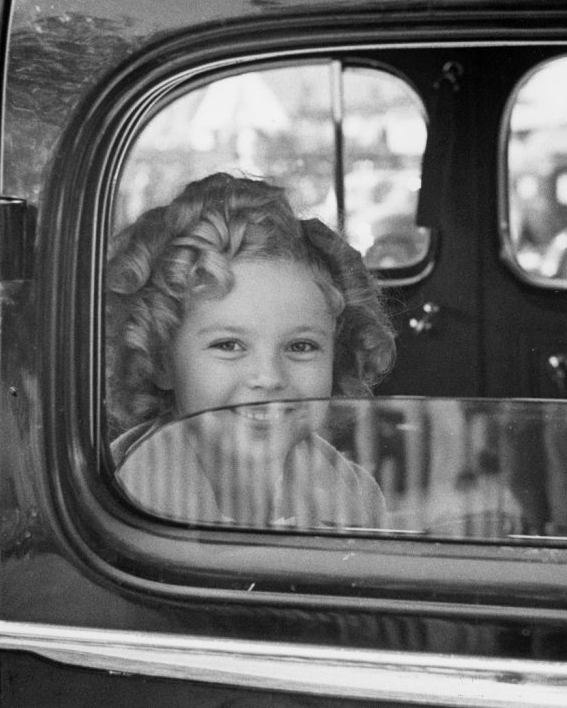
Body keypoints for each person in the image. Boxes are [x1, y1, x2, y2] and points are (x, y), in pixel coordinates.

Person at [105, 172, 396, 529]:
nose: (269, 377)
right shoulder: (128, 501)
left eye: (301, 346)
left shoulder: (351, 492)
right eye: (229, 345)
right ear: (162, 361)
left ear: (338, 356)